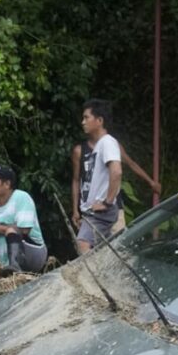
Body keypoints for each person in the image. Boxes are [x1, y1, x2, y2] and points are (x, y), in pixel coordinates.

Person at [70, 138, 160, 235]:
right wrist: (75, 210)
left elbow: (131, 163)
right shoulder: (79, 151)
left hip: (113, 207)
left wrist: (151, 182)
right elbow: (76, 180)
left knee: (118, 243)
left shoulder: (113, 146)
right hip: (90, 209)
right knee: (94, 247)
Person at [71, 99, 122, 254]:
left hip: (101, 211)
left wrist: (107, 202)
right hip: (93, 210)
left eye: (87, 118)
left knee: (83, 243)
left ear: (99, 121)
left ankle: (90, 278)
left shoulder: (107, 142)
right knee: (105, 251)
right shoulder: (101, 145)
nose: (83, 122)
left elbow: (117, 171)